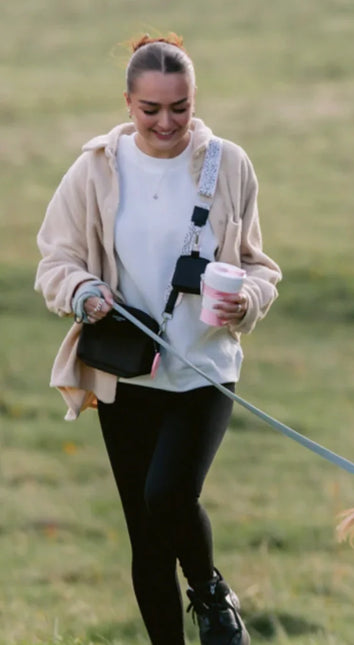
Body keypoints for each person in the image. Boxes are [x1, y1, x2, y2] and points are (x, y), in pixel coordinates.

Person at [35, 33, 281, 645]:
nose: (166, 122)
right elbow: (55, 261)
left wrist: (246, 298)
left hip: (205, 370)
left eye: (181, 107)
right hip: (127, 373)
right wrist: (84, 292)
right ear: (127, 103)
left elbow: (259, 266)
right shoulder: (95, 168)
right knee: (145, 537)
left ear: (195, 101)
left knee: (168, 494)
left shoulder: (230, 164)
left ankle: (210, 594)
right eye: (151, 109)